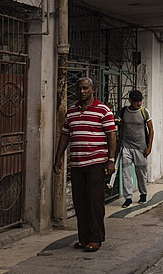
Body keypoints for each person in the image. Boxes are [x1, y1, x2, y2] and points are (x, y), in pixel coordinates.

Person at [53, 77, 116, 253]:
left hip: (96, 162)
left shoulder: (103, 110)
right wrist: (58, 158)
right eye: (79, 88)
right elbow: (65, 135)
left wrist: (111, 160)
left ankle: (95, 238)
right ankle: (83, 238)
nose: (82, 91)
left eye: (85, 88)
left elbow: (111, 136)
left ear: (92, 89)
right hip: (77, 163)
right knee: (80, 201)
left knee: (94, 201)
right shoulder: (71, 111)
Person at [117, 90, 154, 208]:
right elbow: (122, 127)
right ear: (130, 101)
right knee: (126, 173)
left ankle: (143, 194)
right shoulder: (124, 112)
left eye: (140, 100)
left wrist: (149, 147)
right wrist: (120, 144)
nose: (139, 103)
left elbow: (151, 130)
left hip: (140, 148)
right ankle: (128, 198)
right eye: (136, 101)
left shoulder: (144, 112)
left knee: (141, 172)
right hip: (126, 146)